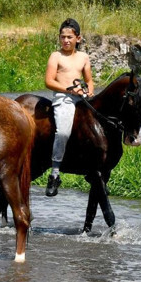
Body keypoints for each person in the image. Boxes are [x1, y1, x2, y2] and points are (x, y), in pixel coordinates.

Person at [44, 18, 94, 197]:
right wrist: (69, 90)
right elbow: (49, 81)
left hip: (80, 99)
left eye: (69, 37)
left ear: (78, 39)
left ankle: (94, 169)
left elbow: (89, 80)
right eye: (63, 37)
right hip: (63, 99)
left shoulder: (83, 57)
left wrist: (89, 92)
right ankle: (55, 173)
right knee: (63, 132)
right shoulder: (55, 56)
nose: (66, 40)